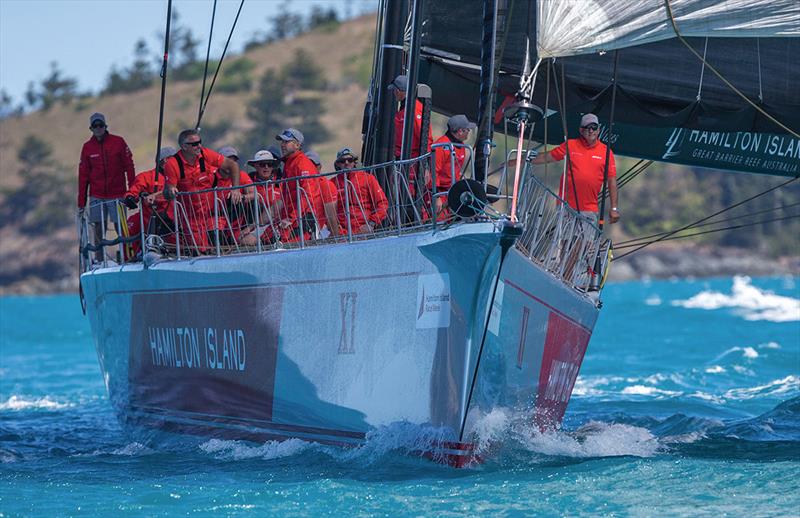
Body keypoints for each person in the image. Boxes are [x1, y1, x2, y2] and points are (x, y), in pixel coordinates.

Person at [531, 113, 619, 224]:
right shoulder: (570, 145)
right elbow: (545, 157)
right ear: (581, 130)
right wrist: (517, 160)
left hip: (589, 209)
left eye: (594, 127)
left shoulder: (607, 152)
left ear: (598, 130)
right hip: (566, 205)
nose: (591, 130)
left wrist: (614, 208)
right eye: (587, 128)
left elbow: (612, 181)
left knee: (586, 242)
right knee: (564, 240)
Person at [162, 129, 241, 252]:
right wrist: (171, 190)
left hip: (212, 213)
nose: (199, 146)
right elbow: (167, 192)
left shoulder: (205, 154)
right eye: (194, 144)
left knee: (220, 243)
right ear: (183, 146)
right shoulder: (172, 164)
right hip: (191, 217)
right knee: (200, 250)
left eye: (200, 142)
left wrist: (236, 189)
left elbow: (233, 165)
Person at [77, 112, 135, 261]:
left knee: (120, 226)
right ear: (91, 128)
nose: (98, 128)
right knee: (97, 227)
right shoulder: (87, 148)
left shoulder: (118, 142)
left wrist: (133, 191)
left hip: (118, 193)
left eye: (100, 125)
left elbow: (129, 166)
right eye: (95, 126)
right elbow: (83, 176)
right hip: (97, 195)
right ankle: (99, 259)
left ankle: (127, 255)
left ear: (105, 126)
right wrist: (81, 203)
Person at [123, 147, 177, 256]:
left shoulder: (181, 177)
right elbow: (134, 190)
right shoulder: (146, 177)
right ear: (163, 162)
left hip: (177, 219)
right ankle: (135, 255)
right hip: (152, 220)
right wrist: (130, 198)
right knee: (131, 224)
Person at [389, 74, 433, 206]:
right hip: (402, 163)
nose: (393, 93)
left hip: (412, 166)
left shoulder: (414, 110)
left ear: (398, 91)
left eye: (394, 90)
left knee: (409, 201)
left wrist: (425, 166)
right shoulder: (404, 109)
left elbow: (425, 138)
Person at [275, 128, 327, 241]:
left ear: (297, 145)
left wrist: (291, 218)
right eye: (282, 142)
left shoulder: (302, 164)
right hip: (293, 220)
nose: (282, 145)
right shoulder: (289, 163)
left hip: (301, 219)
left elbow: (307, 195)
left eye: (286, 142)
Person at [333, 148, 388, 235]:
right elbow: (326, 211)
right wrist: (337, 230)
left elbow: (382, 203)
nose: (346, 163)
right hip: (342, 234)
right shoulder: (332, 183)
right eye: (343, 161)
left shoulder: (368, 178)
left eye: (350, 160)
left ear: (354, 162)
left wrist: (371, 224)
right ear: (338, 164)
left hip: (366, 230)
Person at [433, 114, 475, 220]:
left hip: (453, 191)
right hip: (439, 192)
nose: (468, 133)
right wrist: (437, 196)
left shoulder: (462, 147)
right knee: (438, 220)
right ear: (460, 131)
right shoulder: (441, 146)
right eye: (467, 130)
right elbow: (434, 172)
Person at [241, 149, 283, 246]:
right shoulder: (248, 183)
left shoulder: (281, 181)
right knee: (245, 241)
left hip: (278, 224)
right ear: (256, 166)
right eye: (262, 164)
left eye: (269, 164)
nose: (266, 167)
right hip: (256, 225)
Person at [306, 149, 340, 239]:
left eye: (313, 165)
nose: (310, 167)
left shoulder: (326, 184)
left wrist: (335, 239)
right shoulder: (300, 183)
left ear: (319, 167)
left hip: (312, 232)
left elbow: (332, 217)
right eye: (307, 165)